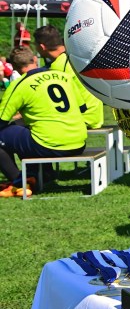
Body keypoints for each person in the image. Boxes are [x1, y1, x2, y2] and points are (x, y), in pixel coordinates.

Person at [0, 46, 87, 197]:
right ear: (35, 59)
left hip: (48, 145)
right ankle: (45, 174)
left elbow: (1, 120)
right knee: (24, 130)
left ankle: (20, 183)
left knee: (10, 134)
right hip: (79, 142)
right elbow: (82, 108)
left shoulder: (19, 84)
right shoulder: (64, 76)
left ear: (14, 67)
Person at [33, 24, 103, 129]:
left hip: (82, 119)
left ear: (42, 47)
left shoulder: (58, 67)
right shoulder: (76, 55)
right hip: (94, 117)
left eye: (35, 45)